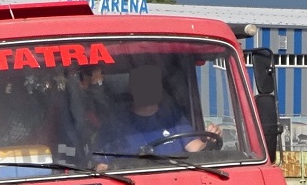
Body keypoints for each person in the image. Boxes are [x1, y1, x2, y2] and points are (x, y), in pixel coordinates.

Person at [93, 64, 221, 170]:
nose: (147, 88)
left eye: (151, 83)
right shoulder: (114, 125)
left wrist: (210, 141)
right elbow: (101, 166)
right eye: (141, 83)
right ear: (131, 88)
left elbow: (197, 150)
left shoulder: (175, 119)